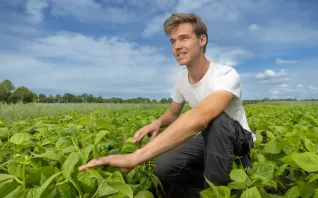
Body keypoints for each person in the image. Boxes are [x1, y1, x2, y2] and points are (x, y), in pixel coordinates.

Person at [78, 12, 256, 197]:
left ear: (202, 40)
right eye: (173, 41)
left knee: (216, 119)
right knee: (164, 167)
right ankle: (206, 183)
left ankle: (218, 188)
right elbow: (172, 114)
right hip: (207, 137)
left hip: (238, 138)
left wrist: (135, 157)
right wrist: (157, 123)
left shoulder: (226, 74)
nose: (177, 46)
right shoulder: (181, 80)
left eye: (184, 38)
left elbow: (201, 117)